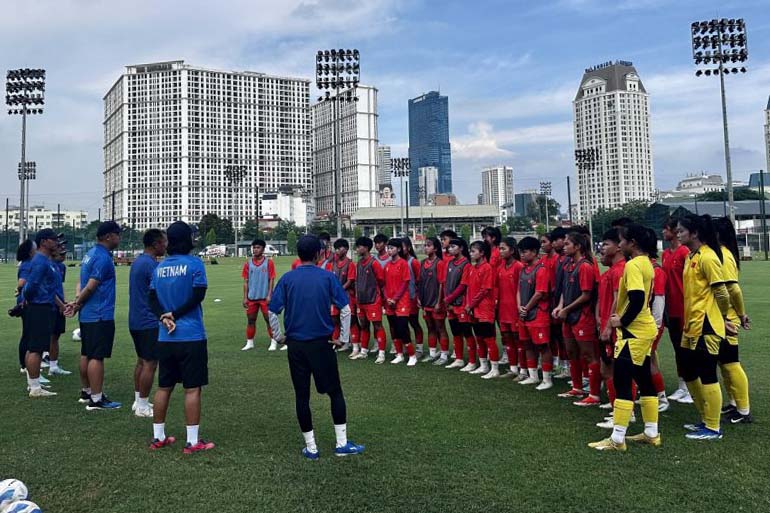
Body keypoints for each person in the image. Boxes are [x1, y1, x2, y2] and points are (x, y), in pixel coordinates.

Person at [268, 234, 364, 460]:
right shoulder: (328, 277)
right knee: (335, 392)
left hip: (296, 346)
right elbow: (346, 309)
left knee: (302, 396)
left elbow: (273, 311)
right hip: (322, 344)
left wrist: (280, 336)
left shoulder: (288, 278)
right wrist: (344, 338)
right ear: (319, 254)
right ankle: (341, 443)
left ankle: (311, 447)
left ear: (298, 254)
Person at [589, 224, 660, 451]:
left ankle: (617, 438)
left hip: (635, 332)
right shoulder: (646, 263)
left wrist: (621, 321)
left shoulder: (633, 265)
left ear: (633, 244)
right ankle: (651, 432)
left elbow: (638, 299)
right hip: (643, 329)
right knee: (644, 379)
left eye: (622, 240)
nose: (619, 245)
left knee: (622, 382)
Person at [148, 221, 214, 454]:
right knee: (192, 388)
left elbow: (152, 299)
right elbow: (198, 295)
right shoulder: (195, 264)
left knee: (164, 387)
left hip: (165, 337)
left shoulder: (159, 268)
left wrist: (163, 318)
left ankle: (158, 437)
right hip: (191, 335)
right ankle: (192, 441)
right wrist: (174, 314)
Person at [677, 214, 735, 440]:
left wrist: (723, 318)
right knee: (689, 371)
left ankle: (713, 427)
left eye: (682, 230)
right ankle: (705, 418)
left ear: (694, 233)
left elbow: (721, 292)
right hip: (691, 324)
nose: (679, 234)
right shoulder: (693, 256)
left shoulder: (709, 257)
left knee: (708, 374)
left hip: (707, 325)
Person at [71, 221, 122, 411]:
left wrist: (78, 302)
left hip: (88, 314)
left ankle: (87, 391)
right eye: (118, 234)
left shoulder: (90, 254)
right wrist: (77, 304)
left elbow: (81, 281)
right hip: (99, 314)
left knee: (87, 353)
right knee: (96, 356)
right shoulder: (102, 257)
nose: (120, 238)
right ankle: (97, 399)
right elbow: (91, 285)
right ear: (109, 236)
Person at [553, 232, 600, 405]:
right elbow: (565, 291)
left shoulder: (585, 266)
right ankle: (577, 387)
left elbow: (586, 295)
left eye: (567, 244)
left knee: (589, 355)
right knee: (572, 352)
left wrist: (566, 309)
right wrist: (560, 306)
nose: (564, 247)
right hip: (568, 316)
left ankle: (594, 395)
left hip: (582, 317)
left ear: (578, 246)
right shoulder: (569, 265)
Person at [714, 217, 752, 424]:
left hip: (727, 318)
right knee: (724, 363)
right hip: (722, 316)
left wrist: (740, 314)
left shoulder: (725, 256)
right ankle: (735, 403)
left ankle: (744, 411)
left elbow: (733, 289)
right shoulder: (722, 254)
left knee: (731, 364)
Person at [22, 229, 67, 398]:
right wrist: (31, 301)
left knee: (35, 347)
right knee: (36, 348)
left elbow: (48, 288)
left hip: (43, 306)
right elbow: (31, 286)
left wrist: (61, 305)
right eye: (53, 239)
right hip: (39, 308)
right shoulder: (41, 261)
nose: (57, 242)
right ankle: (35, 387)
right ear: (44, 242)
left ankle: (33, 383)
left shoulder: (45, 260)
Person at [128, 228, 167, 418]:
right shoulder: (151, 265)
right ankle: (142, 406)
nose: (166, 246)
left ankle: (138, 400)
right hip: (148, 320)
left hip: (136, 319)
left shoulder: (139, 262)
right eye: (163, 242)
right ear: (155, 244)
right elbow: (158, 292)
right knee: (150, 363)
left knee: (141, 361)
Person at [595, 228, 627, 430]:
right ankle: (617, 407)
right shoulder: (612, 271)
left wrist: (607, 326)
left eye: (606, 244)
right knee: (607, 369)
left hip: (616, 328)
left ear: (618, 247)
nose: (603, 248)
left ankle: (624, 412)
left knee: (619, 371)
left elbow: (618, 299)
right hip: (608, 325)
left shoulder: (621, 270)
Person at [662, 217, 693, 404]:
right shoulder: (665, 253)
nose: (663, 233)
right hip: (670, 308)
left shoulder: (684, 252)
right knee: (677, 349)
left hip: (684, 308)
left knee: (687, 349)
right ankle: (682, 386)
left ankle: (691, 387)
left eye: (666, 229)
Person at [516, 237, 553, 390]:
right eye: (521, 252)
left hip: (538, 314)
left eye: (524, 252)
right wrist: (519, 306)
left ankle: (547, 379)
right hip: (524, 314)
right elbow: (518, 289)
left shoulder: (542, 269)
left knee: (543, 346)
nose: (522, 255)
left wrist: (526, 308)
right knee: (528, 345)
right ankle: (533, 376)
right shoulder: (524, 269)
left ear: (534, 252)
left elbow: (539, 293)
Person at [466, 240, 499, 378]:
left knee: (489, 338)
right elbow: (469, 289)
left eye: (474, 251)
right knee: (479, 337)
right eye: (471, 251)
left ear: (482, 253)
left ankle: (495, 368)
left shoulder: (487, 268)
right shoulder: (473, 268)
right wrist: (469, 305)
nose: (471, 253)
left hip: (484, 308)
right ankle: (483, 365)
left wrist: (471, 304)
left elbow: (485, 290)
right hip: (474, 309)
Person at [352, 237, 386, 362]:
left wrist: (379, 296)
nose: (356, 249)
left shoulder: (374, 263)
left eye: (358, 246)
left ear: (366, 248)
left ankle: (381, 353)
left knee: (377, 326)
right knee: (364, 326)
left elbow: (381, 281)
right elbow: (356, 281)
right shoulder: (359, 263)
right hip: (361, 301)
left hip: (373, 300)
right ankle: (364, 351)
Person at [384, 238, 417, 366]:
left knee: (402, 327)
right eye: (388, 248)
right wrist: (387, 298)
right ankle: (399, 354)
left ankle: (412, 355)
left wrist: (395, 299)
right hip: (390, 301)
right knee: (393, 328)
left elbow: (405, 283)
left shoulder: (403, 264)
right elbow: (384, 284)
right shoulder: (387, 265)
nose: (389, 250)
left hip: (401, 301)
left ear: (398, 249)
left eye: (392, 248)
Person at [241, 239, 278, 351]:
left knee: (268, 320)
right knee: (251, 320)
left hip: (264, 298)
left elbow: (271, 279)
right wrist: (245, 297)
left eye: (258, 247)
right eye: (254, 247)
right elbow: (246, 281)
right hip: (252, 298)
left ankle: (273, 341)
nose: (255, 249)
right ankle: (250, 342)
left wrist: (269, 295)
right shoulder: (248, 263)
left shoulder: (269, 262)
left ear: (263, 249)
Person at [417, 237, 449, 364]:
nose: (425, 247)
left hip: (436, 301)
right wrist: (419, 298)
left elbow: (442, 283)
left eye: (428, 245)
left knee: (440, 327)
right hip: (426, 301)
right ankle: (432, 353)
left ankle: (444, 355)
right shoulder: (423, 262)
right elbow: (420, 282)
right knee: (430, 327)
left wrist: (439, 302)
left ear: (435, 248)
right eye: (425, 245)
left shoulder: (440, 263)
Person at [444, 238, 474, 369]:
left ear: (461, 248)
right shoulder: (450, 263)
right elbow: (446, 282)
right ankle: (459, 358)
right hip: (450, 304)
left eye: (453, 246)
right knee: (455, 332)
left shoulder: (466, 264)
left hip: (460, 303)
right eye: (449, 247)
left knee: (467, 332)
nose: (450, 249)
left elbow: (463, 285)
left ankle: (472, 361)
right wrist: (447, 299)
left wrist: (449, 298)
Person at [647, 234, 669, 412]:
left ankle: (661, 398)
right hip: (646, 323)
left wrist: (655, 325)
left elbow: (659, 299)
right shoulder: (646, 268)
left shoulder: (656, 270)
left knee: (647, 360)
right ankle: (653, 395)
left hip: (652, 324)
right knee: (649, 358)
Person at [497, 237, 524, 377]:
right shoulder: (500, 267)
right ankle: (513, 368)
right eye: (499, 248)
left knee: (518, 339)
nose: (500, 251)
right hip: (503, 309)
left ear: (512, 251)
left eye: (503, 248)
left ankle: (523, 368)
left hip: (515, 309)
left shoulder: (519, 266)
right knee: (507, 338)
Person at [48, 239, 71, 377]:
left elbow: (59, 286)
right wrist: (61, 304)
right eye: (60, 251)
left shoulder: (59, 267)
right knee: (50, 336)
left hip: (58, 304)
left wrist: (64, 301)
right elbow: (49, 290)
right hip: (52, 305)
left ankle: (53, 365)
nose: (62, 255)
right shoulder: (48, 265)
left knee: (56, 335)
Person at [331, 238, 358, 353]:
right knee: (335, 319)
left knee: (351, 320)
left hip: (347, 296)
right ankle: (340, 342)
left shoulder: (350, 263)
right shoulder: (334, 264)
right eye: (336, 248)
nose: (337, 250)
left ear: (346, 249)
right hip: (335, 296)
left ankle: (355, 346)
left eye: (339, 248)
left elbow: (350, 281)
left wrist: (338, 290)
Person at [402, 237, 424, 355]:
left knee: (414, 322)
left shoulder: (413, 262)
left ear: (408, 248)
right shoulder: (398, 261)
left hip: (411, 298)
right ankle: (406, 346)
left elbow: (419, 280)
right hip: (400, 299)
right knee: (402, 324)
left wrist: (418, 296)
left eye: (403, 247)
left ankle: (419, 348)